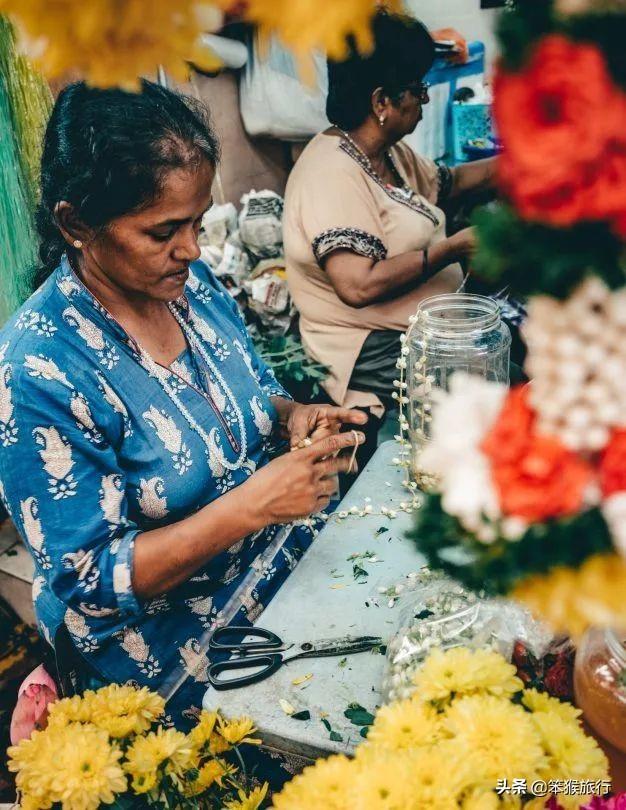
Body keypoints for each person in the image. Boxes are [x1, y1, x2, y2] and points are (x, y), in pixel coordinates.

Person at [0, 81, 367, 729]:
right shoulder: (39, 370)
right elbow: (89, 579)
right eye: (164, 230)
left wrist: (294, 420)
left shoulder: (188, 283)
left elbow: (253, 390)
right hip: (172, 660)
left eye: (196, 223)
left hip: (284, 574)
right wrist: (253, 506)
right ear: (75, 225)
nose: (193, 249)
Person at [283, 10, 496, 456]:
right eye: (418, 91)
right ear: (381, 102)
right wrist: (451, 248)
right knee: (495, 398)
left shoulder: (388, 154)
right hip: (370, 348)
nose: (425, 100)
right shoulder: (331, 171)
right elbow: (357, 285)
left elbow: (449, 183)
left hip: (424, 327)